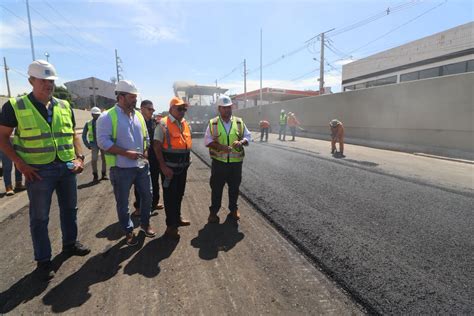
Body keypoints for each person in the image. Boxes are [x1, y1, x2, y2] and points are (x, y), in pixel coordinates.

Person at [0, 60, 90, 280]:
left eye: (51, 81)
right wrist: (20, 164)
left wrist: (79, 157)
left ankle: (70, 244)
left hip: (67, 167)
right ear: (31, 80)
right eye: (43, 80)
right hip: (38, 170)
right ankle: (43, 260)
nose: (48, 85)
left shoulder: (63, 105)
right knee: (39, 218)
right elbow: (2, 137)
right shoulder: (15, 106)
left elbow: (72, 135)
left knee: (70, 209)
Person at [97, 80, 155, 246]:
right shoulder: (107, 117)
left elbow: (146, 136)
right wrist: (125, 153)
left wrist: (145, 151)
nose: (135, 100)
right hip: (121, 169)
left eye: (135, 97)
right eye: (132, 97)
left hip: (142, 167)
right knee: (123, 202)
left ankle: (145, 224)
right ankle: (128, 230)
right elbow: (102, 142)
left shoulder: (138, 116)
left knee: (147, 196)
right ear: (121, 97)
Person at [205, 95, 251, 223]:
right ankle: (213, 212)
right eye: (224, 108)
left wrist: (241, 142)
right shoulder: (213, 123)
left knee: (234, 188)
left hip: (236, 164)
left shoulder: (239, 122)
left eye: (229, 107)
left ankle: (233, 209)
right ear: (219, 109)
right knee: (216, 188)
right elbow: (207, 141)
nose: (227, 110)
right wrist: (220, 147)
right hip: (219, 163)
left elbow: (248, 137)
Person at [153, 97, 192, 240]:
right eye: (179, 108)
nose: (182, 111)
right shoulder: (163, 124)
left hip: (182, 169)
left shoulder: (184, 124)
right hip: (169, 170)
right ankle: (171, 226)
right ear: (171, 109)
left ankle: (177, 218)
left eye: (184, 109)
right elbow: (156, 146)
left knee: (179, 195)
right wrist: (163, 167)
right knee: (170, 197)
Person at [132, 100, 164, 217]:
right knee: (140, 183)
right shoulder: (136, 122)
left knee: (155, 181)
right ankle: (139, 207)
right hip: (141, 157)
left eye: (153, 110)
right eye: (149, 109)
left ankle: (154, 203)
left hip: (154, 157)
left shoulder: (154, 123)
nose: (152, 112)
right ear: (142, 109)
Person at [82, 106, 107, 182]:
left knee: (104, 159)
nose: (97, 115)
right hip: (94, 144)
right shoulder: (88, 123)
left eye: (98, 114)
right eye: (95, 114)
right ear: (92, 114)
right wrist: (87, 144)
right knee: (94, 159)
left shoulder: (103, 122)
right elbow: (84, 135)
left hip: (102, 143)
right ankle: (95, 175)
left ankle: (104, 174)